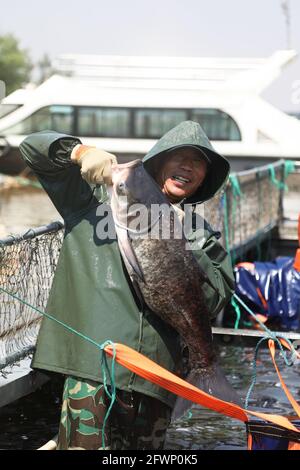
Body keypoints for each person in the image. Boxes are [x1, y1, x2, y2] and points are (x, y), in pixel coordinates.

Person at [19, 120, 234, 450]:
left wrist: (176, 240)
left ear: (205, 178)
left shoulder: (200, 233)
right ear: (159, 161)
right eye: (181, 156)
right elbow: (32, 146)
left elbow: (215, 298)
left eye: (200, 162)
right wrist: (81, 151)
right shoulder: (94, 200)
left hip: (156, 381)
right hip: (94, 372)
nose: (189, 167)